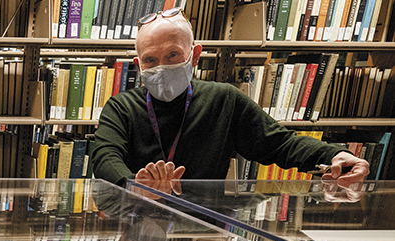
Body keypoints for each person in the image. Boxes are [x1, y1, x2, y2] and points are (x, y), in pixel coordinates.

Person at [91, 7, 370, 195]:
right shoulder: (121, 107)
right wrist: (134, 186)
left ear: (195, 55)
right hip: (135, 222)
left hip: (199, 230)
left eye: (173, 55)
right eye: (151, 60)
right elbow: (105, 156)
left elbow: (280, 144)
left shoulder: (223, 99)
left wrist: (333, 155)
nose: (161, 66)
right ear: (138, 65)